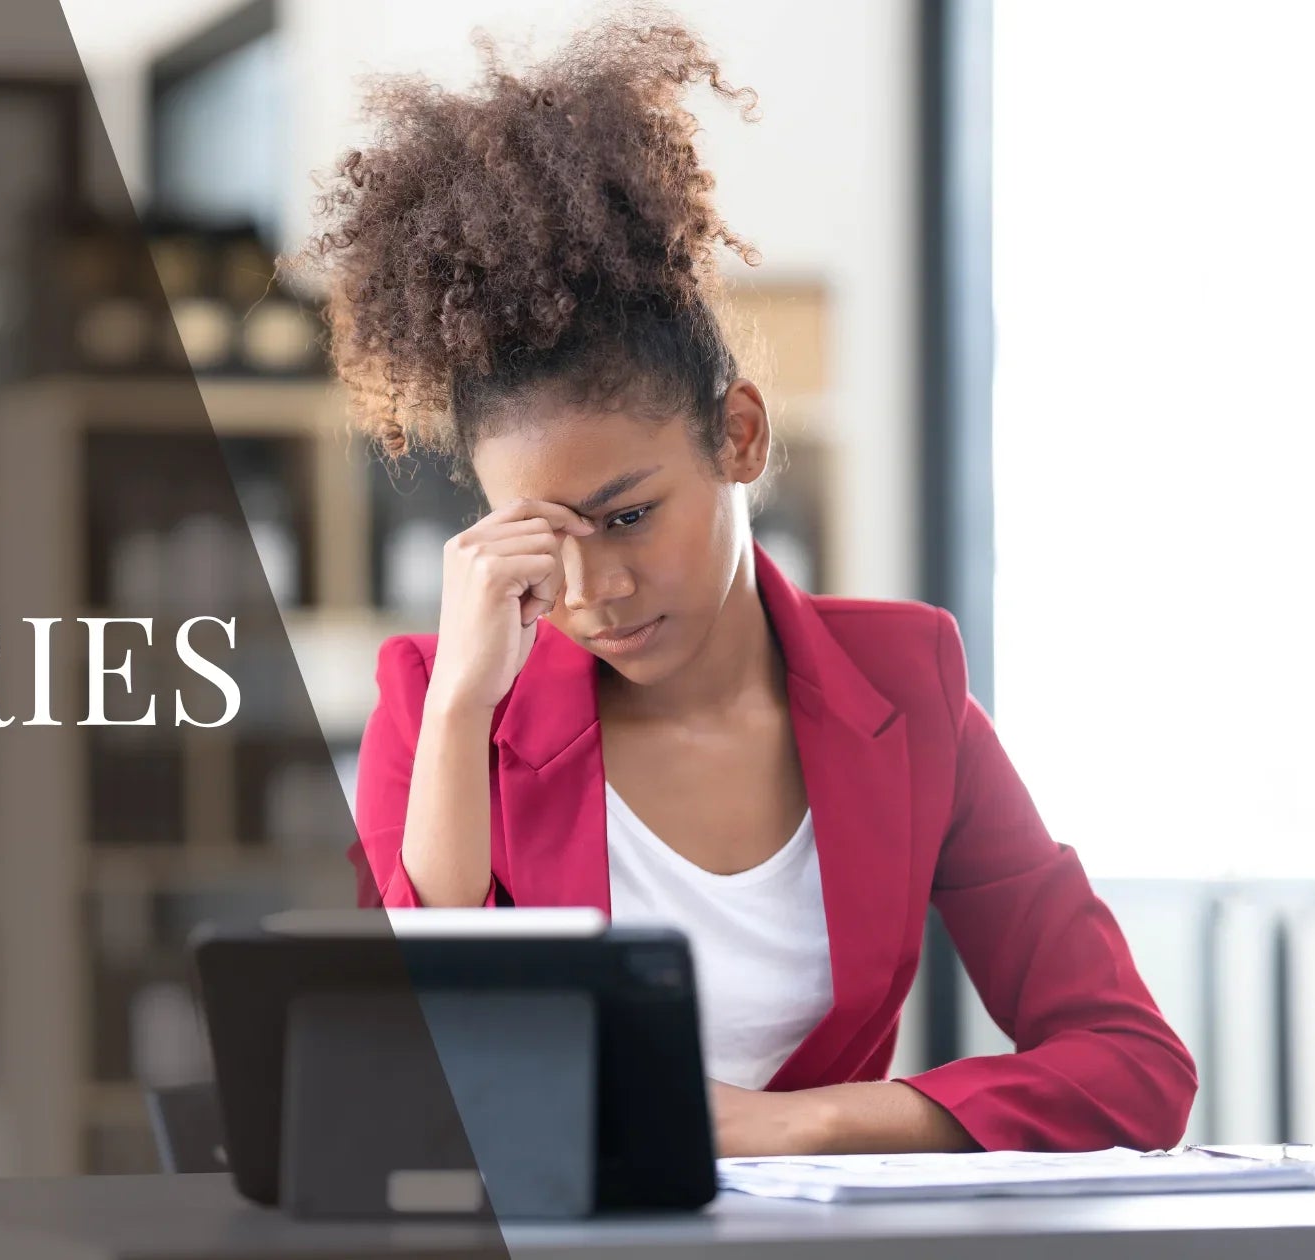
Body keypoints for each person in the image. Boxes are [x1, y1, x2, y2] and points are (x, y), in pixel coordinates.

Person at [293, 14, 1195, 1158]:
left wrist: (802, 1125)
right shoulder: (436, 707)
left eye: (627, 516)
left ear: (739, 437)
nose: (595, 588)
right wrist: (464, 715)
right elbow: (423, 1074)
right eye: (542, 537)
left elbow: (1131, 1065)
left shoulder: (905, 693)